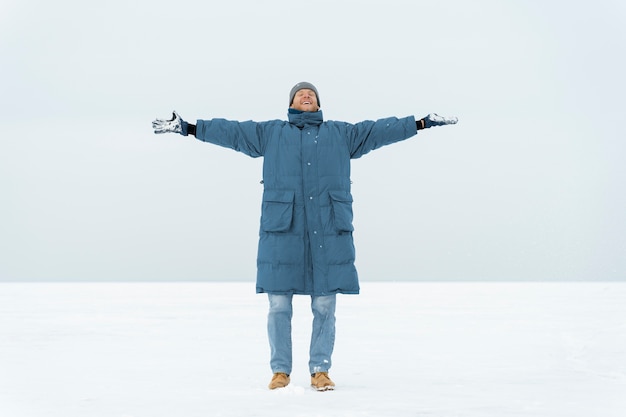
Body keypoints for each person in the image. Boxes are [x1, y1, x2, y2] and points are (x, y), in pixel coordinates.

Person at [152, 82, 457, 391]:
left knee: (325, 306)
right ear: (292, 104)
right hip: (283, 233)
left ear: (319, 103)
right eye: (300, 94)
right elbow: (231, 132)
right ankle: (280, 371)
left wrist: (420, 123)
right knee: (279, 306)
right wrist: (188, 128)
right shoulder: (271, 134)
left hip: (328, 231)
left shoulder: (342, 134)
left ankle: (320, 370)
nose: (306, 95)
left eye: (311, 93)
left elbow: (378, 131)